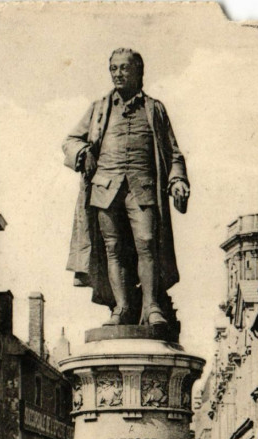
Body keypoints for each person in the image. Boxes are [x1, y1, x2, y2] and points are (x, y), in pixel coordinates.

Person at [63, 48, 189, 329]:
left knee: (147, 242)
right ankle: (121, 308)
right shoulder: (99, 108)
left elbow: (173, 153)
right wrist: (84, 152)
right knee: (113, 248)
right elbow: (70, 141)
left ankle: (152, 306)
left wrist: (177, 180)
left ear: (138, 72)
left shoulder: (154, 109)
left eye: (124, 68)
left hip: (142, 188)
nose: (118, 74)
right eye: (114, 68)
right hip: (105, 188)